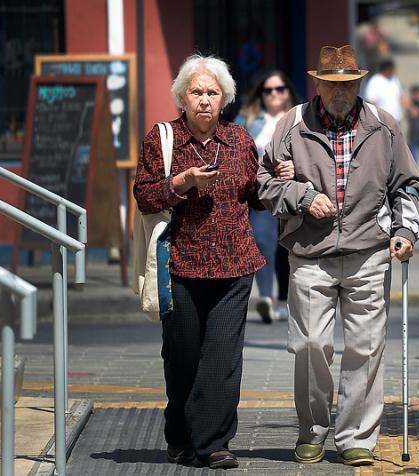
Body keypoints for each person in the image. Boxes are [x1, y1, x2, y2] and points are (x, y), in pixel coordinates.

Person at [257, 45, 419, 467]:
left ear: (358, 84)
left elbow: (405, 185)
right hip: (309, 253)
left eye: (347, 85)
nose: (339, 92)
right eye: (331, 84)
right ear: (317, 83)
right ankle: (312, 429)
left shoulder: (384, 127)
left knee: (365, 348)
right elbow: (264, 182)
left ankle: (356, 437)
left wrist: (405, 231)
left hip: (368, 251)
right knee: (311, 344)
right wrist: (301, 196)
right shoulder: (291, 125)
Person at [133, 54, 265, 470]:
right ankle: (180, 435)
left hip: (234, 264)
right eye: (197, 92)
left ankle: (215, 443)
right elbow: (144, 195)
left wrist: (279, 176)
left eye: (212, 92)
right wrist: (183, 181)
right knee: (183, 356)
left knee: (223, 358)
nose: (205, 100)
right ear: (182, 97)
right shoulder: (162, 139)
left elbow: (254, 196)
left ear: (224, 98)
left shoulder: (240, 140)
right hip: (181, 265)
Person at [235, 71, 300, 323]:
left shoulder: (300, 118)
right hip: (261, 193)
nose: (274, 94)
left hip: (292, 192)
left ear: (288, 92)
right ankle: (265, 298)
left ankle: (284, 300)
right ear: (261, 94)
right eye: (268, 90)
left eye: (279, 89)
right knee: (262, 242)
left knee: (287, 247)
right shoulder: (248, 120)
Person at [363, 58, 412, 124]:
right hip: (383, 122)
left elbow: (401, 97)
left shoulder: (394, 79)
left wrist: (411, 108)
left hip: (396, 120)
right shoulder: (375, 81)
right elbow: (371, 101)